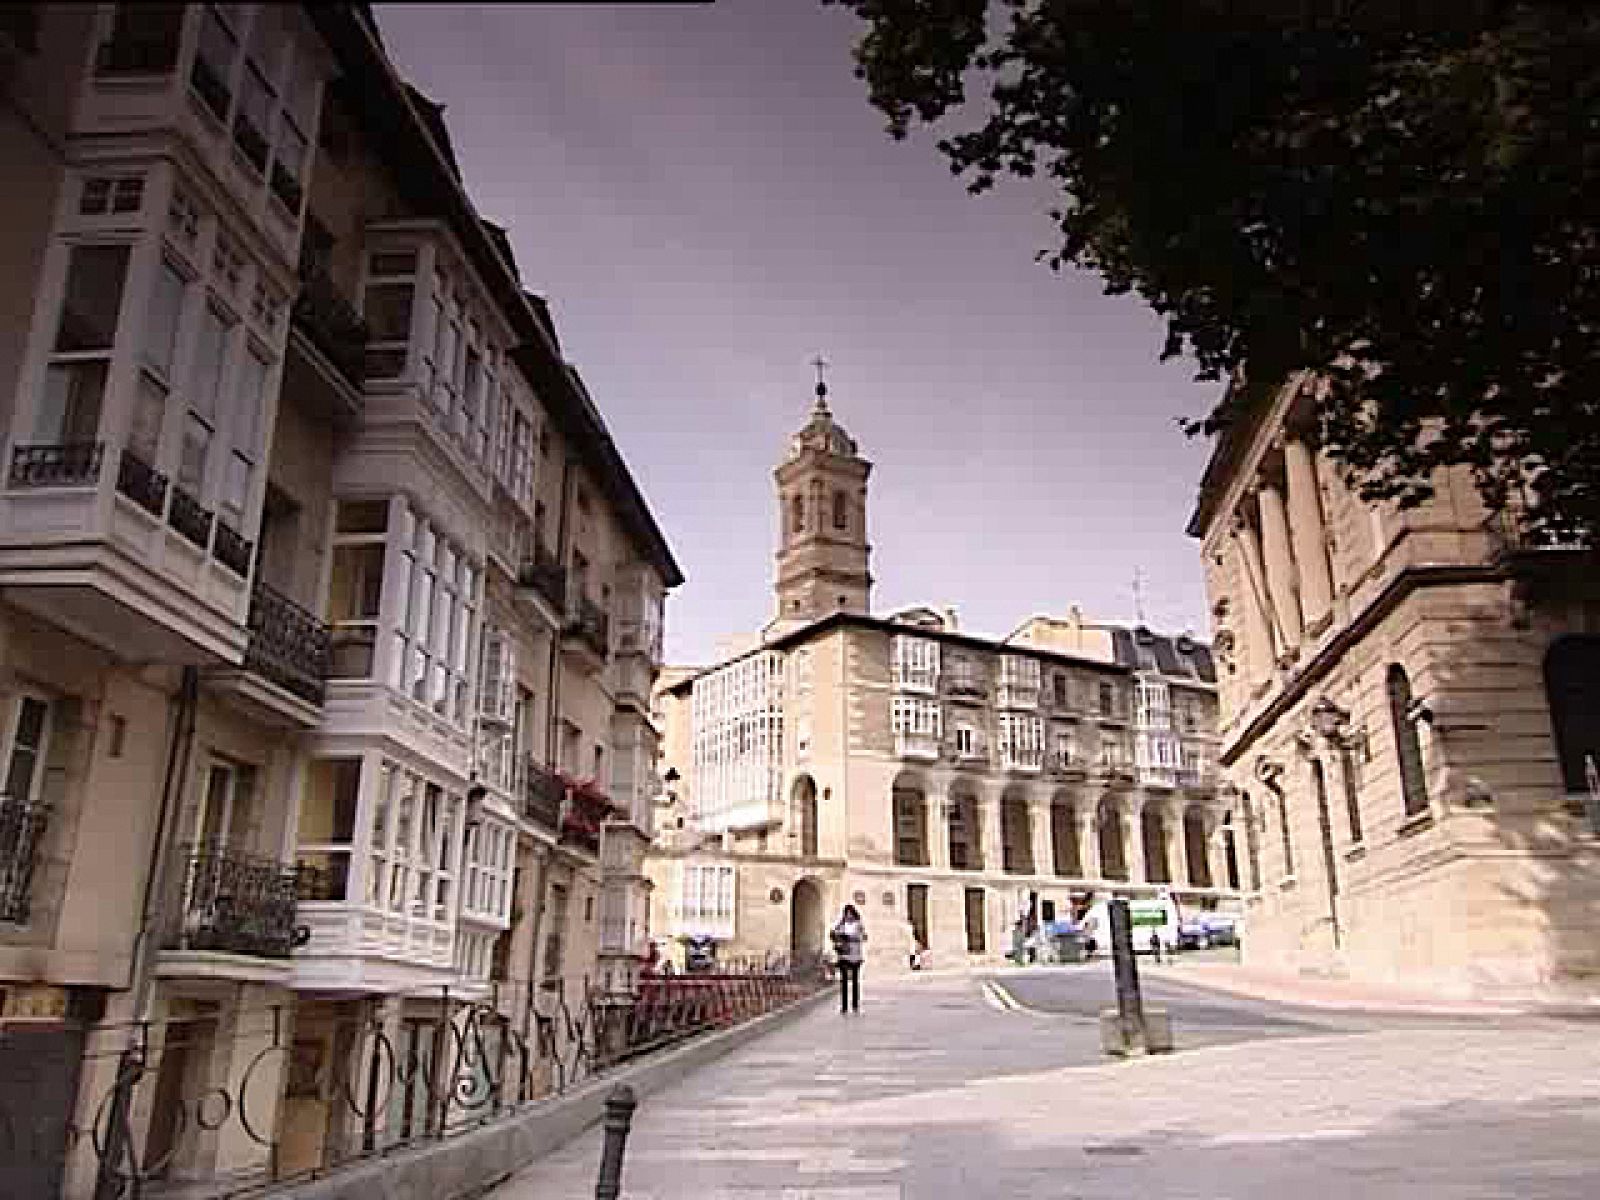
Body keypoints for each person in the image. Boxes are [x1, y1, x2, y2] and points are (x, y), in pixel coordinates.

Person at [830, 903, 867, 1013]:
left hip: (855, 955)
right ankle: (844, 1006)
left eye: (850, 913)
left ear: (854, 914)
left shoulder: (858, 924)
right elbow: (835, 935)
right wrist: (836, 936)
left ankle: (855, 1005)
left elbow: (864, 937)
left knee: (855, 981)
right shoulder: (841, 924)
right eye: (847, 913)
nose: (849, 915)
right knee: (844, 981)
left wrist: (853, 937)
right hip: (844, 955)